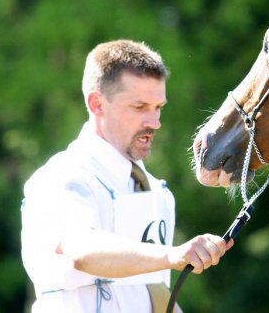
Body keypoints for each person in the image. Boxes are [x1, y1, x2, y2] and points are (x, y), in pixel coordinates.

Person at [21, 40, 232, 313]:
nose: (154, 122)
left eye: (158, 107)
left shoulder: (159, 192)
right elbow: (82, 250)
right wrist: (173, 254)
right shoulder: (63, 176)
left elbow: (148, 292)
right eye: (139, 107)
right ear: (97, 104)